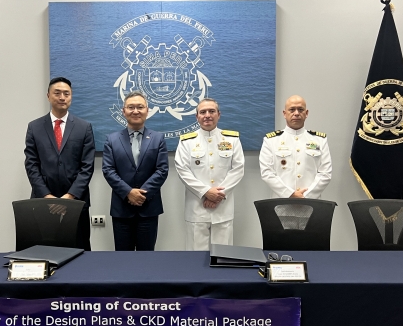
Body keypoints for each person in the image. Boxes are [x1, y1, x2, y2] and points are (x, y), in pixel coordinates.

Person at [24, 77, 95, 250]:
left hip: (76, 201)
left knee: (79, 249)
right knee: (45, 250)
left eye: (66, 93)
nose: (62, 97)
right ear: (48, 96)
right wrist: (47, 196)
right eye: (57, 93)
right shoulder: (34, 127)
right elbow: (31, 165)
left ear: (71, 97)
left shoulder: (83, 127)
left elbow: (87, 166)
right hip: (43, 201)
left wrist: (69, 198)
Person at [174, 98, 245, 250]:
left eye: (212, 111)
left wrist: (218, 194)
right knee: (195, 258)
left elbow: (238, 169)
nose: (207, 115)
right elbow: (182, 170)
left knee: (224, 256)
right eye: (203, 112)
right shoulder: (187, 141)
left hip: (223, 207)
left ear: (219, 114)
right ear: (197, 116)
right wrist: (206, 192)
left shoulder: (232, 139)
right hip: (196, 208)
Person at [102, 91, 169, 251]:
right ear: (123, 111)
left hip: (149, 208)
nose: (135, 111)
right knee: (122, 258)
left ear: (147, 110)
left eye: (140, 107)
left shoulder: (158, 138)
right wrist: (128, 192)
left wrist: (141, 195)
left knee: (147, 257)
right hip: (122, 208)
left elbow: (162, 170)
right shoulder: (112, 140)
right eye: (131, 107)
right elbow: (108, 170)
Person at [259, 95, 332, 198]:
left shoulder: (319, 140)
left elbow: (325, 173)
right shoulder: (271, 141)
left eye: (300, 109)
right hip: (281, 204)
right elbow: (267, 173)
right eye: (292, 109)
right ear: (284, 114)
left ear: (306, 113)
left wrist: (306, 196)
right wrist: (290, 194)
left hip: (311, 203)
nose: (296, 113)